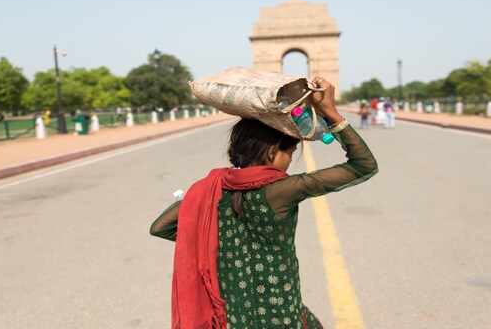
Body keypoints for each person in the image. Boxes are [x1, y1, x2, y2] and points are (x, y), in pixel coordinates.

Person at [150, 77, 378, 329]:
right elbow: (363, 165)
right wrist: (332, 114)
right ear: (272, 152)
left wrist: (217, 244)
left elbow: (160, 227)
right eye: (289, 154)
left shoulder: (209, 191)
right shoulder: (283, 189)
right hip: (282, 314)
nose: (289, 161)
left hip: (234, 318)